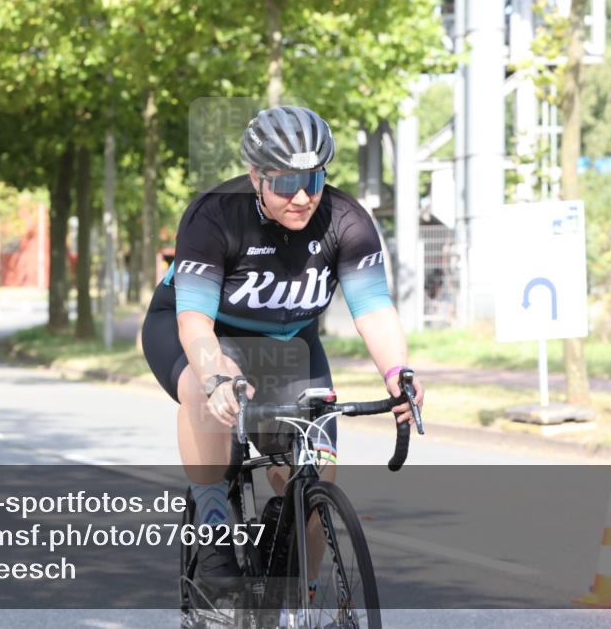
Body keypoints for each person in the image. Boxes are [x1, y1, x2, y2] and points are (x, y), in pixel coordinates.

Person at [141, 105, 424, 589]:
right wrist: (215, 377)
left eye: (312, 181)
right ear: (256, 177)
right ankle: (214, 533)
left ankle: (299, 601)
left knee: (314, 480)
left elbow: (374, 309)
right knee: (203, 395)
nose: (301, 197)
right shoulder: (215, 215)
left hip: (290, 345)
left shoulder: (346, 221)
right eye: (285, 183)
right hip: (202, 332)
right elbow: (195, 322)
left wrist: (397, 372)